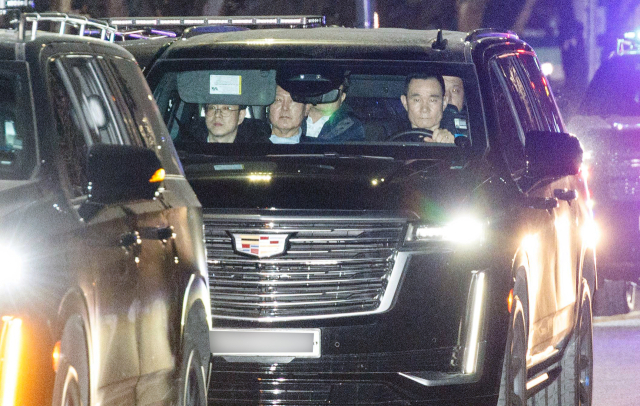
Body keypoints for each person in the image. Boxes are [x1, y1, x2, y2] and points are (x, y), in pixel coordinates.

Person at [303, 78, 365, 142]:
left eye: (333, 91)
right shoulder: (297, 115)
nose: (327, 95)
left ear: (342, 97)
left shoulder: (351, 127)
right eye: (323, 88)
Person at [400, 73, 455, 144]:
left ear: (444, 102)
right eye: (417, 100)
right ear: (405, 102)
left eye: (432, 100)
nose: (424, 109)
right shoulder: (390, 140)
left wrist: (451, 147)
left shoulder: (461, 137)